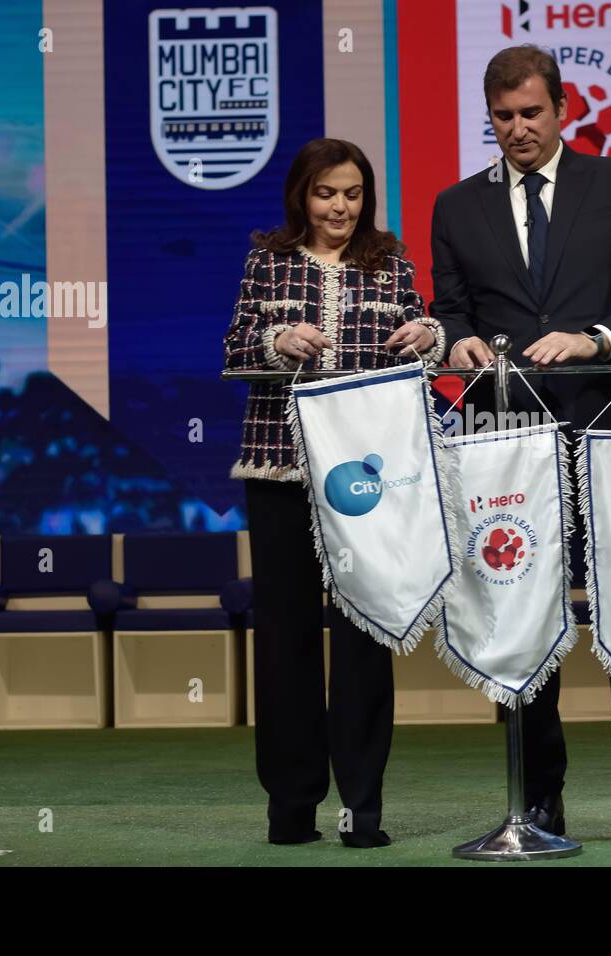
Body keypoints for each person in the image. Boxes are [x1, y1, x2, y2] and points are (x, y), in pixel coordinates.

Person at [429, 45, 611, 842]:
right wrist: (458, 342)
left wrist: (595, 337)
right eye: (503, 117)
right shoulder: (455, 205)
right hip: (509, 431)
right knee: (524, 609)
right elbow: (454, 307)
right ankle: (539, 797)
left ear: (563, 110)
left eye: (531, 113)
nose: (517, 129)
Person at [224, 137, 445, 847]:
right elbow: (233, 346)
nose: (340, 207)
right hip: (281, 472)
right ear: (302, 196)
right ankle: (290, 806)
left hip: (367, 480)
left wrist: (429, 335)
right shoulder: (268, 258)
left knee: (364, 636)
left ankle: (362, 804)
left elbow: (427, 334)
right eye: (326, 193)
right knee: (285, 642)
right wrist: (277, 339)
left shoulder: (390, 261)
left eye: (352, 193)